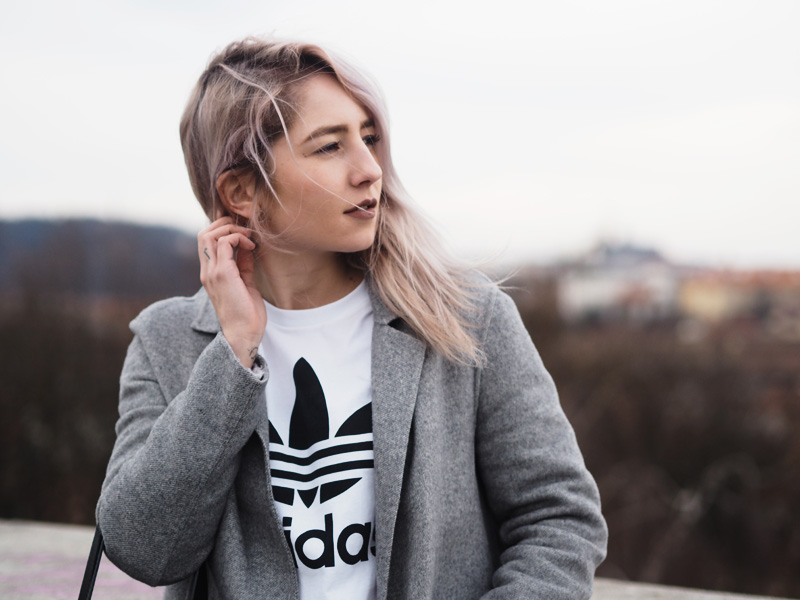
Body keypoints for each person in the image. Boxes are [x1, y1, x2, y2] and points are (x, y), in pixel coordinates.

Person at [96, 37, 607, 599]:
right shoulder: (168, 341)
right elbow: (145, 548)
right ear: (242, 190)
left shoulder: (465, 317)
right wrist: (233, 353)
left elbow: (559, 521)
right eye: (329, 147)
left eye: (368, 138)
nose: (369, 170)